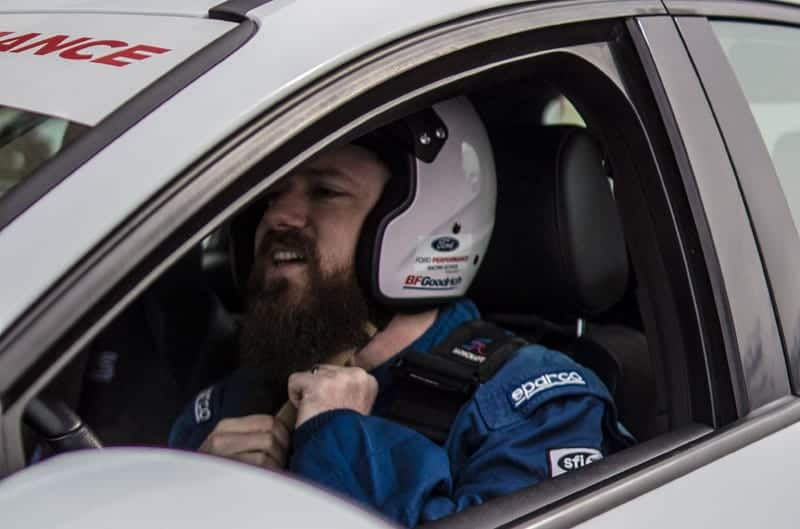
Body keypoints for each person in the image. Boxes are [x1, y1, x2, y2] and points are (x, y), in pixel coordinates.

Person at [169, 97, 632, 528]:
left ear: (422, 220)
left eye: (326, 192)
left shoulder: (537, 405)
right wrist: (199, 495)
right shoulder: (228, 404)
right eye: (272, 196)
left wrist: (342, 441)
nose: (278, 217)